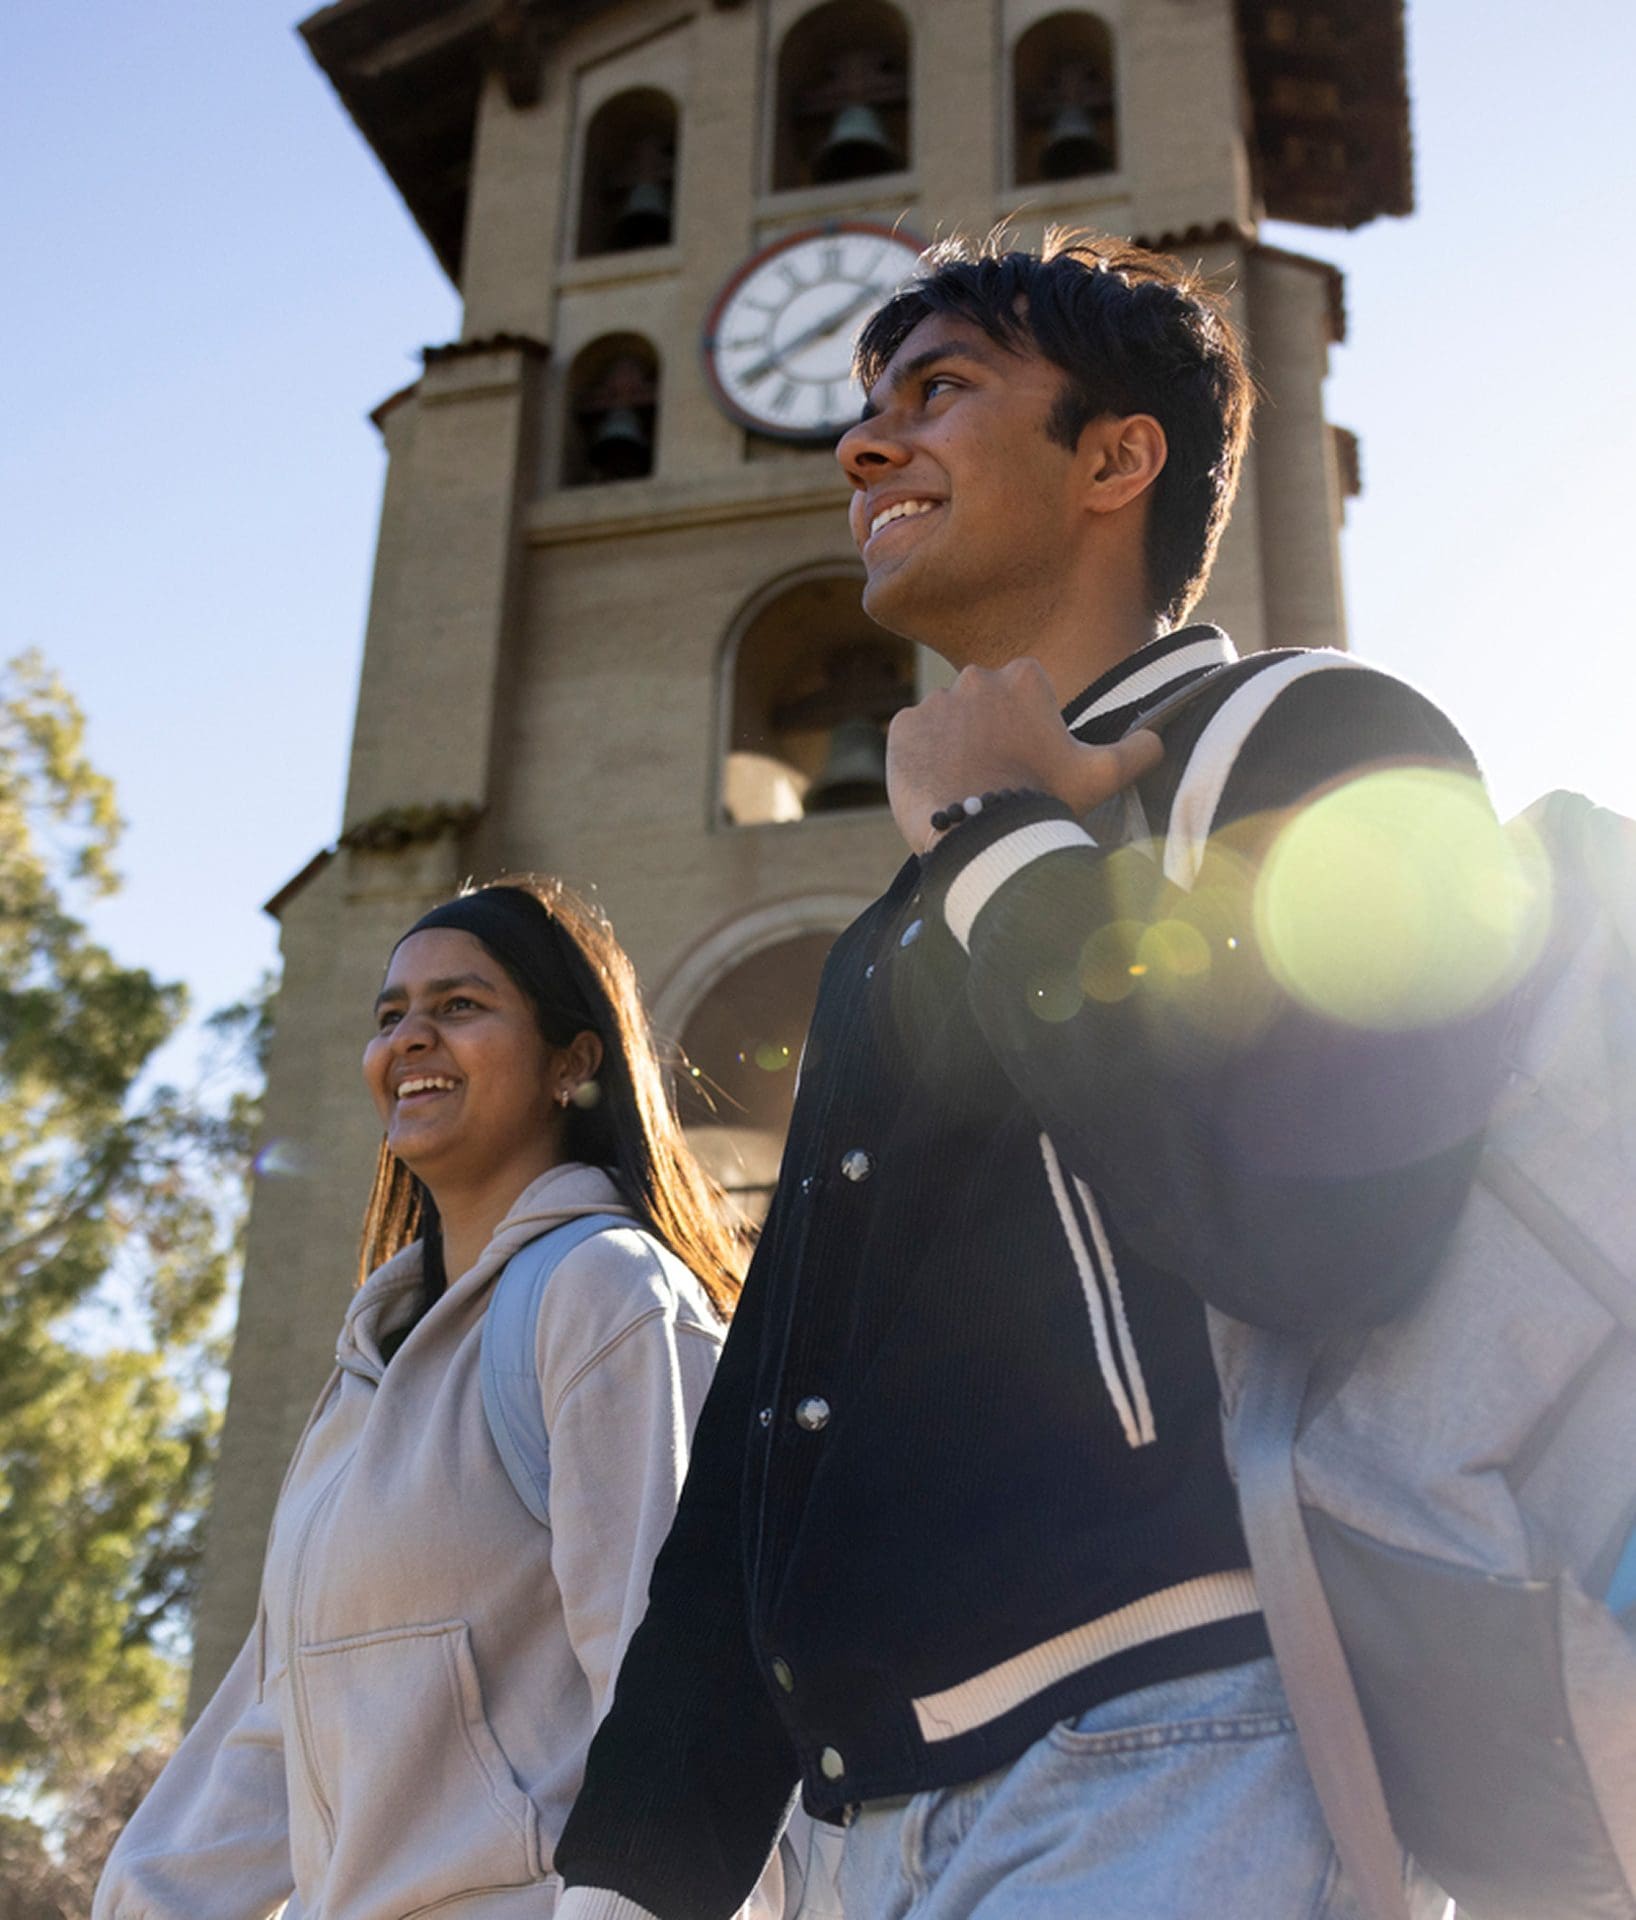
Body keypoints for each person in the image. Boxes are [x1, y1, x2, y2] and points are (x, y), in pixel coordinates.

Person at [555, 235, 1512, 1918]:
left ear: (1115, 456)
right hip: (864, 1839)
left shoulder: (1315, 739)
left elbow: (1325, 1236)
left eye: (936, 392)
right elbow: (775, 1425)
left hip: (1186, 1758)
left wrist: (1003, 839)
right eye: (864, 406)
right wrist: (633, 1872)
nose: (861, 447)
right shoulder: (893, 937)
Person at [95, 878, 758, 1920]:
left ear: (572, 1064)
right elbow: (275, 1726)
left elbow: (685, 1684)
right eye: (390, 1014)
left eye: (459, 1006)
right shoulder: (363, 1371)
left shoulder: (607, 1294)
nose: (408, 1037)